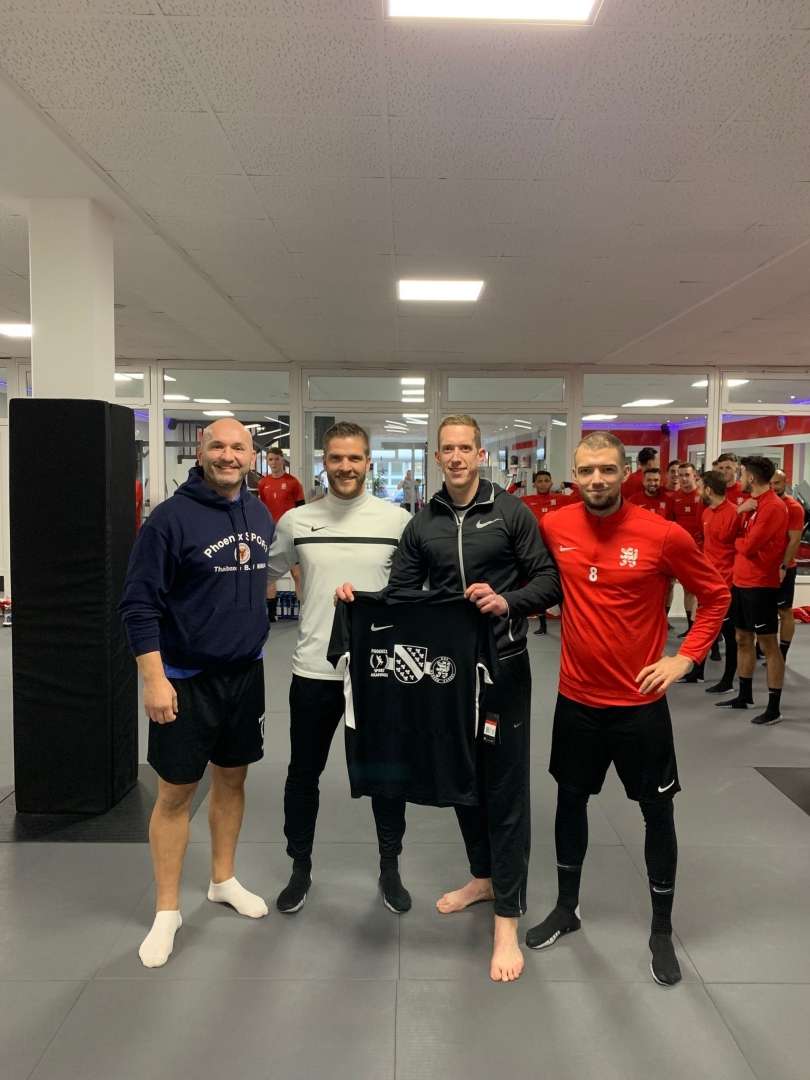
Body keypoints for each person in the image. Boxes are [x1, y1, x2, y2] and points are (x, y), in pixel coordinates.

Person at [340, 413, 561, 982]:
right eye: (447, 449)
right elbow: (400, 595)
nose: (457, 457)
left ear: (480, 455)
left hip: (503, 669)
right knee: (464, 778)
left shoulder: (511, 513)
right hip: (450, 675)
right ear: (436, 457)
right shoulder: (424, 523)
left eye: (466, 448)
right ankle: (483, 879)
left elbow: (548, 582)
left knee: (505, 790)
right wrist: (359, 601)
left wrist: (507, 601)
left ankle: (507, 918)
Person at [524, 431, 728, 987]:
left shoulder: (663, 535)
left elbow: (715, 596)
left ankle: (661, 929)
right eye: (586, 470)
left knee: (657, 813)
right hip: (576, 700)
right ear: (574, 475)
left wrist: (685, 657)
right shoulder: (555, 526)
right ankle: (567, 907)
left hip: (640, 706)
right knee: (570, 802)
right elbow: (529, 577)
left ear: (624, 473)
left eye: (607, 470)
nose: (597, 480)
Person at [119, 419, 275, 968]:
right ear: (201, 452)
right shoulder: (169, 519)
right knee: (176, 794)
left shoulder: (259, 513)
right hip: (184, 679)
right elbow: (138, 604)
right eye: (217, 446)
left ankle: (222, 880)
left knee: (233, 779)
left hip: (246, 674)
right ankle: (167, 910)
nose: (228, 456)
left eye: (238, 447)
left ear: (252, 456)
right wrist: (154, 678)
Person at [266, 422, 412, 916]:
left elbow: (414, 592)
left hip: (379, 673)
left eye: (354, 458)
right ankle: (300, 866)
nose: (345, 467)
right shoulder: (296, 521)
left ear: (368, 462)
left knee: (386, 774)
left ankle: (390, 867)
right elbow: (259, 575)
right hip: (313, 670)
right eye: (335, 458)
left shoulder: (398, 522)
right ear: (323, 463)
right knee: (303, 773)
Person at [716, 455, 788, 725]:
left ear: (751, 478)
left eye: (741, 473)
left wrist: (739, 539)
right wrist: (738, 512)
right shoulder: (749, 504)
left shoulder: (773, 507)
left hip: (761, 585)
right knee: (742, 637)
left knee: (768, 644)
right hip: (741, 582)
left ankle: (774, 708)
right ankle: (744, 696)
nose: (739, 477)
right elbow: (725, 537)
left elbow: (747, 547)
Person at [680, 470, 740, 690]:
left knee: (730, 634)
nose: (697, 492)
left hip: (728, 584)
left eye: (700, 487)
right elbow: (709, 546)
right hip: (709, 582)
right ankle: (698, 672)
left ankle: (728, 681)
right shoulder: (706, 513)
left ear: (709, 490)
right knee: (703, 628)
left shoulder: (734, 513)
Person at [258, 447, 306, 619]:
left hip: (290, 532)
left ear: (283, 461)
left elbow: (301, 509)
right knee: (267, 573)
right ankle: (271, 615)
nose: (274, 463)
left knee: (297, 573)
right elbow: (263, 509)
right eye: (270, 460)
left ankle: (303, 611)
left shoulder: (293, 482)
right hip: (270, 532)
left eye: (276, 459)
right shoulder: (263, 483)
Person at [521, 470, 564, 636]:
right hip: (537, 549)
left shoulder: (560, 499)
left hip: (556, 548)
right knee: (539, 585)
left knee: (560, 587)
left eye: (546, 480)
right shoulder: (527, 500)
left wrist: (569, 485)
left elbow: (580, 497)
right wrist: (516, 486)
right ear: (534, 484)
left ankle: (565, 623)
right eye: (540, 481)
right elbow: (507, 498)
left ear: (551, 483)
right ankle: (542, 625)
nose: (543, 484)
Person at [770, 469, 805, 663]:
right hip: (764, 568)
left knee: (784, 611)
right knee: (765, 610)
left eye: (777, 483)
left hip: (784, 567)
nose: (773, 487)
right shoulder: (763, 505)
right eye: (770, 483)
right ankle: (764, 649)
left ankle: (782, 654)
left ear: (785, 483)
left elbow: (795, 541)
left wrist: (783, 567)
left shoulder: (794, 508)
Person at [670, 462, 704, 637]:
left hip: (702, 550)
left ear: (695, 476)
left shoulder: (702, 496)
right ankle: (691, 628)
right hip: (683, 551)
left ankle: (710, 629)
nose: (683, 479)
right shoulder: (675, 497)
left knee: (702, 591)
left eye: (687, 475)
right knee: (687, 590)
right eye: (680, 475)